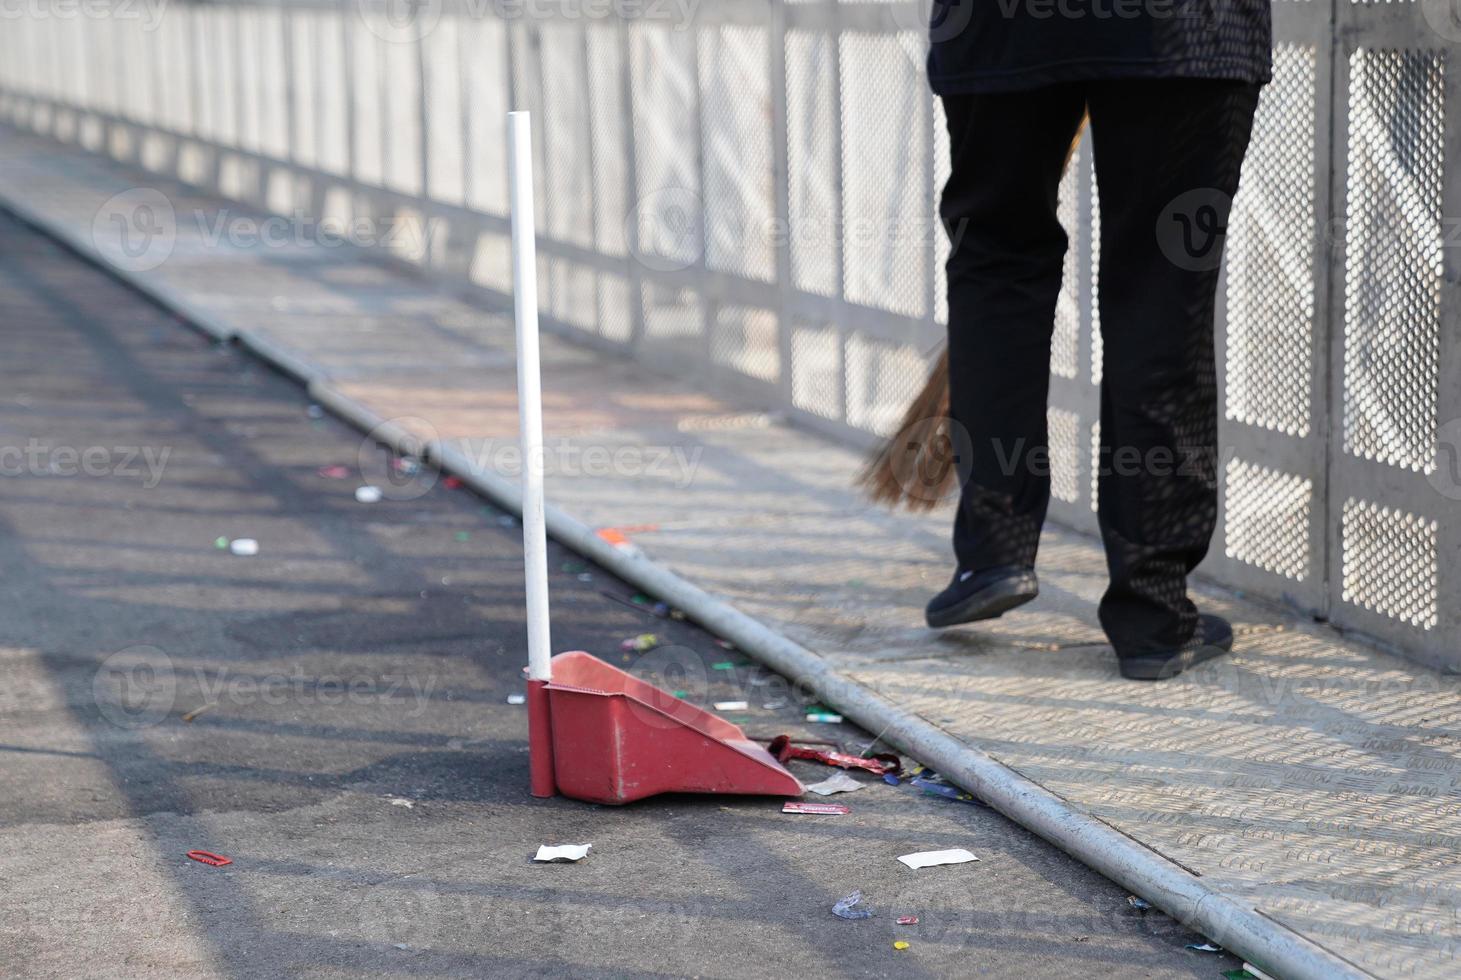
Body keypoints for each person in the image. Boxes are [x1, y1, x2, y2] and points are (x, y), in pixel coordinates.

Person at [921, 0, 1272, 680]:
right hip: (1182, 29)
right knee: (1160, 283)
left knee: (996, 256)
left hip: (1000, 27)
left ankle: (993, 551)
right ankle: (1153, 611)